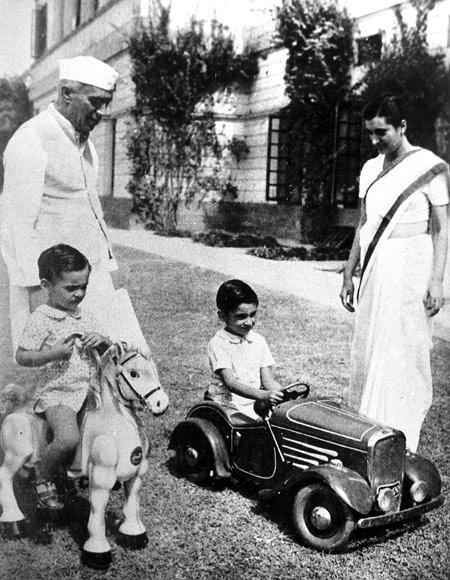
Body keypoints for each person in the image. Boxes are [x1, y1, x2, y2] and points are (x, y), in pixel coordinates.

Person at [0, 55, 132, 355]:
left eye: (106, 104)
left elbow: (90, 209)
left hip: (89, 278)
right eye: (95, 102)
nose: (101, 112)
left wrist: (103, 269)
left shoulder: (86, 145)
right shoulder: (30, 139)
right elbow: (16, 228)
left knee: (105, 371)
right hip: (51, 289)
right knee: (58, 378)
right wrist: (38, 297)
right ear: (66, 93)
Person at [340, 94, 449, 452]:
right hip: (376, 268)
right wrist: (348, 271)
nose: (374, 141)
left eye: (381, 132)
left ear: (402, 127)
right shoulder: (371, 169)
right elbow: (364, 223)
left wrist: (437, 280)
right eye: (370, 133)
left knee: (402, 351)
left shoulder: (429, 166)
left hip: (411, 267)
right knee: (371, 348)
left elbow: (441, 229)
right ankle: (369, 435)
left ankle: (399, 438)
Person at [16, 244, 112, 510]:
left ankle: (89, 470)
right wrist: (51, 354)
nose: (79, 294)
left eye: (84, 286)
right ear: (47, 284)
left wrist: (101, 340)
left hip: (90, 390)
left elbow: (109, 348)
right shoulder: (42, 319)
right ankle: (42, 478)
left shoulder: (86, 316)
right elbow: (22, 356)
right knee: (68, 438)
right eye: (71, 288)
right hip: (59, 392)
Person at [207, 279, 284, 419]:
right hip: (227, 406)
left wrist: (283, 393)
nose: (249, 322)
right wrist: (263, 395)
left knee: (281, 421)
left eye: (253, 314)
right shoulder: (219, 343)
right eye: (241, 317)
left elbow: (267, 381)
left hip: (254, 402)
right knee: (256, 431)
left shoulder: (258, 341)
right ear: (222, 316)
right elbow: (230, 383)